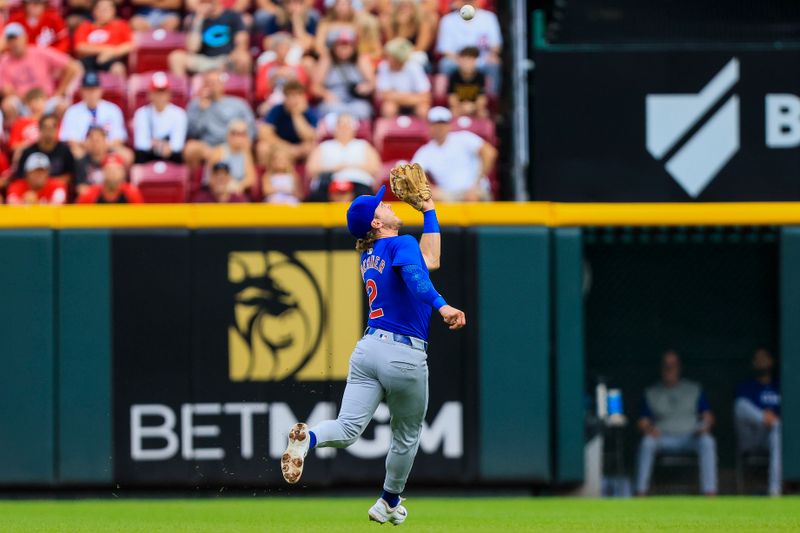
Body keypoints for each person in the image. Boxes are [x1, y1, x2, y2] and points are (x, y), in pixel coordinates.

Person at [279, 184, 465, 525]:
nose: (390, 205)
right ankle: (388, 500)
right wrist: (443, 306)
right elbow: (416, 277)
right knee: (406, 436)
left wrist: (429, 211)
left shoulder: (372, 253)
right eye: (382, 207)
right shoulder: (401, 244)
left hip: (368, 350)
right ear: (377, 224)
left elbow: (430, 261)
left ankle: (310, 439)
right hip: (403, 354)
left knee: (347, 428)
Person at [636, 350, 718, 496]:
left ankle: (710, 493)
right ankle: (641, 492)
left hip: (690, 436)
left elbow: (708, 416)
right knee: (647, 442)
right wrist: (649, 428)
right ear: (661, 368)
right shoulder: (651, 392)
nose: (669, 368)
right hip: (663, 437)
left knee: (707, 441)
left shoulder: (693, 389)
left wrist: (705, 427)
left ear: (679, 367)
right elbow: (642, 422)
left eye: (672, 365)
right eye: (666, 365)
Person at [0, 22, 80, 124]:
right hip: (23, 104)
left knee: (62, 106)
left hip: (47, 100)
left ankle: (60, 136)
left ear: (25, 38)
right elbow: (7, 90)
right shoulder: (4, 61)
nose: (14, 43)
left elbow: (72, 66)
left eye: (17, 38)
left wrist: (59, 92)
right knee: (8, 105)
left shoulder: (39, 52)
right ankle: (16, 135)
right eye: (10, 40)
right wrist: (29, 101)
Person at [411, 106, 496, 201]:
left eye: (443, 124)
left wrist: (477, 183)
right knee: (432, 198)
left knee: (473, 197)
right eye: (435, 124)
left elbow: (489, 153)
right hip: (448, 196)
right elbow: (413, 174)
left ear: (449, 125)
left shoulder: (464, 138)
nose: (439, 128)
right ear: (429, 126)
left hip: (475, 190)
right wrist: (430, 189)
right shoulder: (425, 151)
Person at [184, 69, 256, 168]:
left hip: (233, 145)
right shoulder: (196, 104)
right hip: (208, 147)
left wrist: (240, 143)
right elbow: (193, 133)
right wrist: (201, 111)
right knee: (191, 148)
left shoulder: (238, 104)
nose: (212, 86)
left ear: (222, 84)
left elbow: (251, 129)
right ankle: (194, 181)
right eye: (209, 83)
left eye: (215, 82)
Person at [734, 348, 782, 496]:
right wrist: (763, 417)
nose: (761, 361)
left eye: (764, 357)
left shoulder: (781, 386)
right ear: (753, 364)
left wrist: (774, 421)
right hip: (751, 435)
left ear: (772, 361)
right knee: (740, 405)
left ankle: (774, 491)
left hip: (772, 436)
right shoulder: (746, 387)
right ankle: (770, 421)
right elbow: (741, 411)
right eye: (758, 359)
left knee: (778, 433)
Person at [305, 113, 381, 198]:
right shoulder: (323, 146)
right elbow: (311, 170)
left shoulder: (364, 145)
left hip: (359, 183)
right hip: (328, 183)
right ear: (334, 129)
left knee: (366, 197)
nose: (344, 129)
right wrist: (335, 168)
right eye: (341, 126)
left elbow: (375, 167)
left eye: (347, 125)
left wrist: (350, 166)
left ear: (354, 129)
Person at [59, 71, 130, 162]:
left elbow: (119, 137)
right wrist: (89, 145)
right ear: (82, 91)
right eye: (88, 89)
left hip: (108, 148)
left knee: (127, 155)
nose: (91, 93)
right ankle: (80, 175)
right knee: (73, 153)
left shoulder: (113, 109)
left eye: (94, 89)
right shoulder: (72, 111)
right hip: (83, 149)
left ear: (101, 90)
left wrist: (102, 146)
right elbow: (68, 138)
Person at [168, 0, 250, 76]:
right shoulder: (195, 18)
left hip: (226, 58)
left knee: (244, 58)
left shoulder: (232, 15)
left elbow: (241, 44)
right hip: (204, 60)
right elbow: (192, 49)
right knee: (176, 58)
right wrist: (199, 19)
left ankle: (240, 88)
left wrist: (232, 57)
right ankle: (181, 89)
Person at [436, 0, 501, 93]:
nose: (468, 3)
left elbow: (496, 46)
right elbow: (445, 50)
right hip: (457, 61)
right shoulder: (447, 20)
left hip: (481, 60)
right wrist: (463, 62)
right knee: (445, 64)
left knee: (494, 63)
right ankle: (444, 101)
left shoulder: (489, 17)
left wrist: (491, 55)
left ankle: (491, 101)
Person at [312, 28, 374, 120]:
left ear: (353, 47)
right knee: (330, 110)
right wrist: (326, 94)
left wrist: (366, 87)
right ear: (334, 47)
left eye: (347, 46)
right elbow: (315, 87)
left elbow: (372, 83)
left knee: (363, 110)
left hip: (355, 101)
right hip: (334, 100)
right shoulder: (326, 60)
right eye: (341, 46)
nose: (344, 49)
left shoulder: (360, 60)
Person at [256, 79, 317, 165]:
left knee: (311, 148)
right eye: (289, 96)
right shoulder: (277, 110)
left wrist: (296, 115)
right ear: (284, 97)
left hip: (300, 148)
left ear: (302, 96)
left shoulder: (309, 112)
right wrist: (288, 148)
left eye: (296, 95)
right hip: (280, 146)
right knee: (263, 148)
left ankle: (307, 177)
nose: (292, 100)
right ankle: (266, 176)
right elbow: (264, 133)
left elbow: (310, 137)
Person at [132, 72, 187, 164]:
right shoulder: (141, 113)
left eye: (163, 92)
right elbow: (140, 143)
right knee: (140, 154)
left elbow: (178, 144)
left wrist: (160, 145)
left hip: (170, 154)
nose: (160, 96)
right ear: (150, 95)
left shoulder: (179, 114)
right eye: (157, 92)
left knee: (179, 155)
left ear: (169, 94)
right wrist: (158, 145)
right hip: (148, 154)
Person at [73, 0, 133, 75]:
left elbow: (129, 45)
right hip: (88, 59)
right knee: (75, 67)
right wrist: (105, 49)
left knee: (118, 68)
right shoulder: (85, 26)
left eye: (107, 9)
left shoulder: (121, 25)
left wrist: (113, 52)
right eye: (100, 9)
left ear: (113, 10)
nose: (104, 12)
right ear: (94, 11)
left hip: (111, 59)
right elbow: (80, 47)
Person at [376, 37, 431, 118]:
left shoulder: (415, 67)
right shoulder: (383, 67)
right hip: (399, 102)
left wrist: (399, 97)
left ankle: (423, 130)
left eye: (389, 57)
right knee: (389, 108)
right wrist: (411, 98)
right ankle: (390, 130)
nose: (386, 59)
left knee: (423, 110)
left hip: (413, 103)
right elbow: (385, 95)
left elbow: (425, 96)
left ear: (399, 59)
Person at [254, 32, 310, 110]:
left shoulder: (297, 68)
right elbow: (260, 93)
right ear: (274, 50)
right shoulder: (265, 68)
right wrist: (273, 78)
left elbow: (304, 91)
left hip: (293, 101)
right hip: (271, 101)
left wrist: (292, 79)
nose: (282, 51)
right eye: (280, 48)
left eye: (285, 48)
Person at [15, 114, 75, 185]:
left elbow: (70, 175)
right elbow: (21, 176)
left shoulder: (65, 150)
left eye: (52, 127)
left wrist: (51, 185)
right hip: (34, 189)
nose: (49, 131)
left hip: (57, 189)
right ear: (39, 129)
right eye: (45, 127)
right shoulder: (28, 152)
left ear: (57, 129)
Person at [205, 119, 256, 195]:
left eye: (242, 134)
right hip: (218, 192)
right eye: (234, 133)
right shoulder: (219, 151)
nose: (238, 137)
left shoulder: (245, 153)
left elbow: (250, 178)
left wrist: (239, 186)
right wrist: (227, 187)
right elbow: (210, 178)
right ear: (228, 135)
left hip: (237, 192)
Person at [379, 0, 434, 68]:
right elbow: (392, 46)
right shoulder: (392, 24)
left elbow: (421, 47)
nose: (404, 10)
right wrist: (402, 27)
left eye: (407, 7)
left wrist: (404, 54)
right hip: (398, 55)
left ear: (414, 8)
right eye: (401, 7)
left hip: (414, 55)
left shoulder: (422, 23)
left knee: (417, 58)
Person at [77, 153, 144, 203]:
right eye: (109, 170)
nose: (113, 174)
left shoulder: (131, 192)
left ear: (123, 173)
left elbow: (141, 216)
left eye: (116, 170)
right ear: (103, 172)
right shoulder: (90, 193)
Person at [448, 46, 487, 118]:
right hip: (459, 107)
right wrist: (462, 107)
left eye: (470, 59)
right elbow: (452, 98)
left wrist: (473, 107)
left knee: (483, 113)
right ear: (459, 60)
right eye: (465, 60)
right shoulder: (454, 76)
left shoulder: (480, 77)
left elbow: (482, 99)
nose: (467, 63)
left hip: (474, 107)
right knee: (453, 112)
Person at [73, 125, 111, 198]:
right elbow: (80, 188)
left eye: (97, 140)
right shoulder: (80, 162)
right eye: (91, 140)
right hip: (90, 203)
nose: (94, 143)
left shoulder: (112, 162)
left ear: (105, 142)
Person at [8, 87, 45, 154]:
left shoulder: (50, 121)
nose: (38, 104)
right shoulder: (20, 122)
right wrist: (29, 143)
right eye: (35, 101)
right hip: (27, 155)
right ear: (28, 103)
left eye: (40, 100)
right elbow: (13, 146)